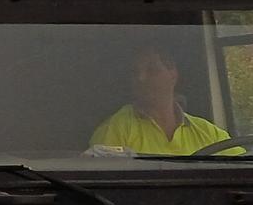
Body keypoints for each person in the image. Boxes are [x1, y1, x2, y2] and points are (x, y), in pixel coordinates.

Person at [90, 42, 231, 156]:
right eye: (135, 72)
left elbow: (243, 167)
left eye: (152, 70)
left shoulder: (209, 133)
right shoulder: (115, 129)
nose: (141, 78)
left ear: (173, 75)